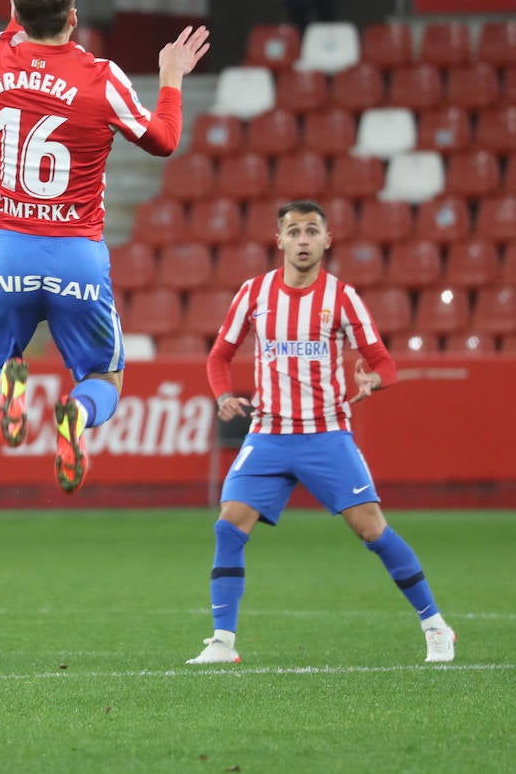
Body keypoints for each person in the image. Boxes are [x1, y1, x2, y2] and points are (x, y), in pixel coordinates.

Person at [0, 0, 209, 492]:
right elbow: (163, 139)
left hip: (11, 251)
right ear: (74, 18)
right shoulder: (103, 80)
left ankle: (4, 387)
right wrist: (170, 78)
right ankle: (76, 414)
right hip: (77, 254)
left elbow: (3, 45)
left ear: (17, 16)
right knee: (104, 379)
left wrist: (16, 19)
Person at [187, 199, 455, 665]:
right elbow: (218, 355)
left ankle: (436, 626)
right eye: (294, 232)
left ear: (327, 240)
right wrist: (223, 394)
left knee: (372, 531)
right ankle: (223, 643)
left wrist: (374, 380)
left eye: (312, 231)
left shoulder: (342, 298)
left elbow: (383, 361)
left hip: (326, 434)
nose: (303, 240)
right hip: (268, 433)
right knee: (229, 525)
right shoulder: (253, 293)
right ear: (280, 241)